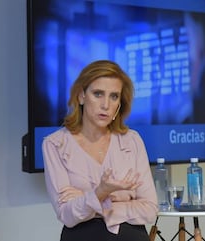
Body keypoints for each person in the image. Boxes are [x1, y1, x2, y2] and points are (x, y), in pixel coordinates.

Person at [42, 60, 158, 241]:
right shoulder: (55, 144)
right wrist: (101, 192)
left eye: (114, 96)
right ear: (81, 96)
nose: (106, 105)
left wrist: (91, 201)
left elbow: (150, 210)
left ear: (120, 104)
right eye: (98, 94)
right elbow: (67, 214)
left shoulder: (132, 140)